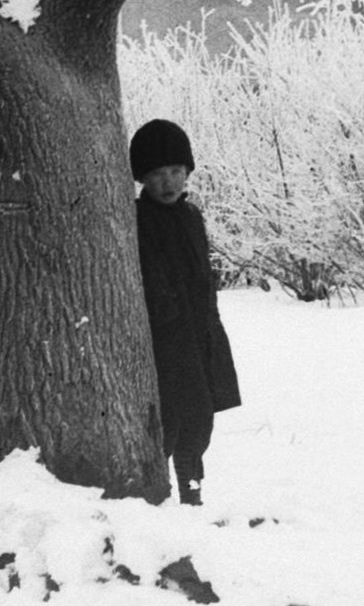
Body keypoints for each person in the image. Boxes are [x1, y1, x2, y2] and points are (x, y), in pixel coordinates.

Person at [130, 118, 241, 504]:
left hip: (201, 332)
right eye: (158, 174)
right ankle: (157, 490)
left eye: (177, 171)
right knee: (168, 419)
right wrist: (168, 316)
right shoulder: (137, 218)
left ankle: (192, 486)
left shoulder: (191, 216)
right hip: (166, 339)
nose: (169, 182)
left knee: (200, 418)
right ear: (143, 177)